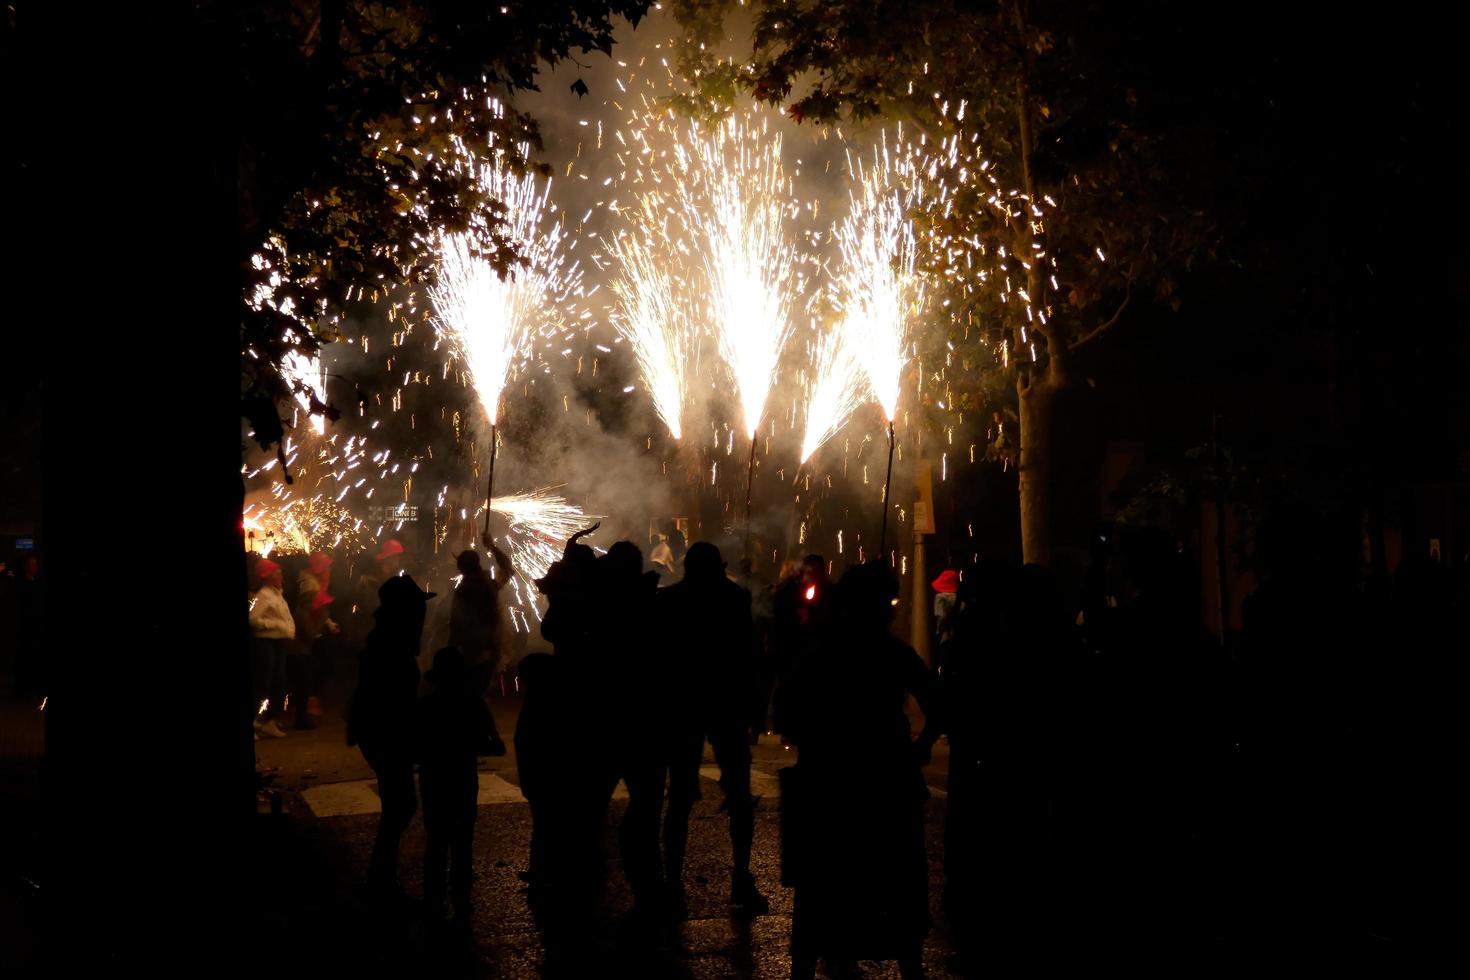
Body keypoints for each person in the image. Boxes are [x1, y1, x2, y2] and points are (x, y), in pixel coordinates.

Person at [783, 561, 940, 980]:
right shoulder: (894, 653)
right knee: (898, 877)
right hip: (889, 780)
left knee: (823, 883)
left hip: (828, 784)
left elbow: (784, 712)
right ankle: (908, 962)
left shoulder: (819, 652)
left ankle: (812, 960)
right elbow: (938, 705)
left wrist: (817, 741)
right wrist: (919, 747)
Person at [659, 541, 769, 920]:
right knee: (739, 794)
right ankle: (740, 875)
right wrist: (758, 706)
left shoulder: (669, 600)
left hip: (683, 704)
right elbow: (750, 653)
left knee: (680, 796)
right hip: (728, 703)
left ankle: (671, 882)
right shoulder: (734, 598)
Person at [347, 574, 437, 900]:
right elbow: (390, 700)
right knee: (400, 805)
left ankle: (381, 876)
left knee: (398, 806)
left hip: (381, 732)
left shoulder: (388, 639)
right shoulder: (391, 646)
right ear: (406, 611)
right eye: (417, 607)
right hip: (386, 734)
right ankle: (380, 880)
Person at [415, 647, 498, 928]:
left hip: (434, 778)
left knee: (436, 838)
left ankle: (433, 898)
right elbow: (495, 745)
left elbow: (412, 748)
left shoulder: (425, 706)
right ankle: (461, 897)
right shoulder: (474, 704)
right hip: (463, 777)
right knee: (463, 840)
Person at [449, 533, 513, 755]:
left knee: (472, 696)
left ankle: (492, 740)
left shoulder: (465, 590)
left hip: (475, 650)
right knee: (475, 695)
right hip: (490, 648)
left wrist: (451, 649)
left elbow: (456, 624)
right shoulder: (489, 584)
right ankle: (483, 739)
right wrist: (492, 547)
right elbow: (508, 568)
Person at [290, 552, 339, 730]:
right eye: (327, 567)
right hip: (303, 641)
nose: (330, 571)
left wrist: (327, 622)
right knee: (306, 676)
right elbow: (307, 616)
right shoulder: (310, 587)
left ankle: (302, 710)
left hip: (307, 639)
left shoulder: (314, 583)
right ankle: (302, 713)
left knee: (308, 675)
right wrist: (320, 624)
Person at [248, 558, 294, 740]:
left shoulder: (277, 594)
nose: (280, 575)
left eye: (279, 572)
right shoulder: (265, 596)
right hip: (266, 643)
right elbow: (253, 619)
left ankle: (268, 720)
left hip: (278, 643)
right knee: (263, 684)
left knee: (278, 684)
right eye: (276, 573)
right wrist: (272, 625)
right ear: (267, 577)